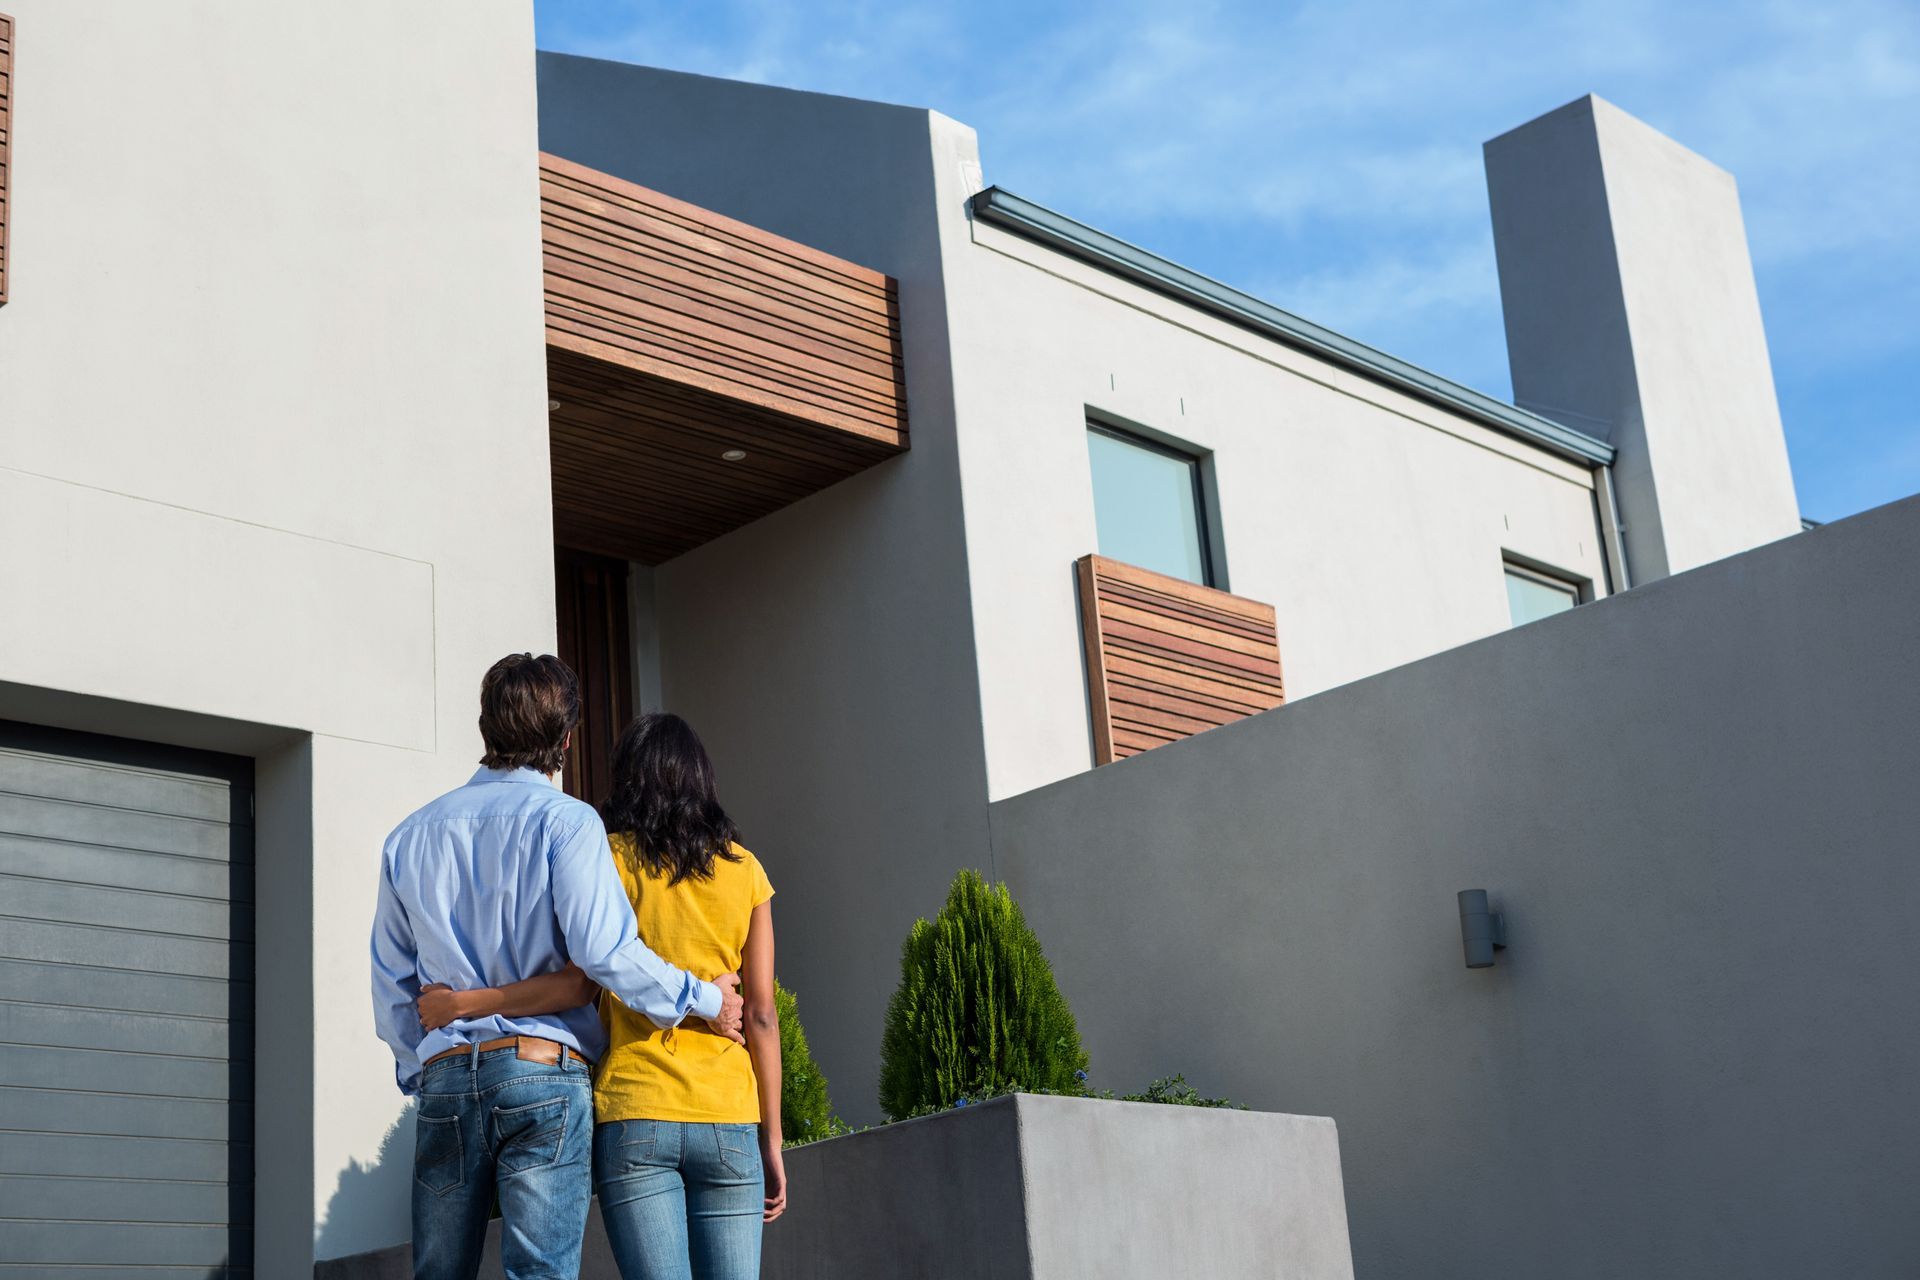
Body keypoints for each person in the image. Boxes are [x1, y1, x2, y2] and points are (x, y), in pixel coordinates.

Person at [371, 655, 745, 1280]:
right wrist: (705, 1000)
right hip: (542, 1073)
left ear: (486, 727)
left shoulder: (410, 835)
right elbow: (604, 951)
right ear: (567, 739)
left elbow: (391, 982)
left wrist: (425, 1066)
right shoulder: (569, 822)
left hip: (444, 1078)